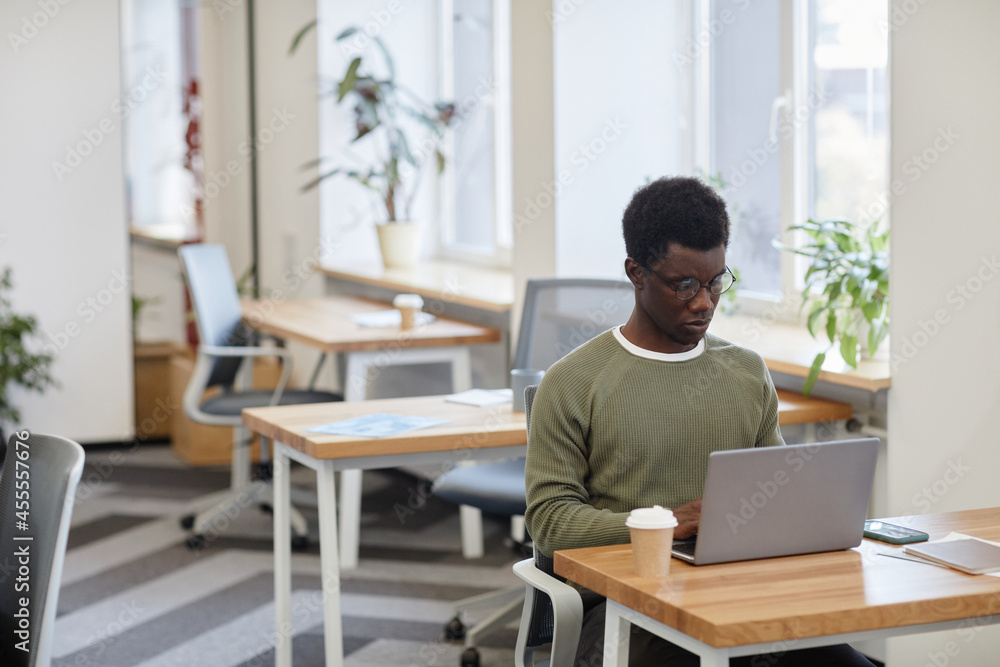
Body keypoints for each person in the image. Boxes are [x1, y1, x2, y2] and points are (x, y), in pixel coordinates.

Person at [523, 176, 875, 667]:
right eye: (684, 284)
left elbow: (777, 494)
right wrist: (668, 523)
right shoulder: (573, 381)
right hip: (628, 605)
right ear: (636, 273)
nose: (705, 302)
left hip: (739, 592)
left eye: (716, 281)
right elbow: (550, 523)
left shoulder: (746, 372)